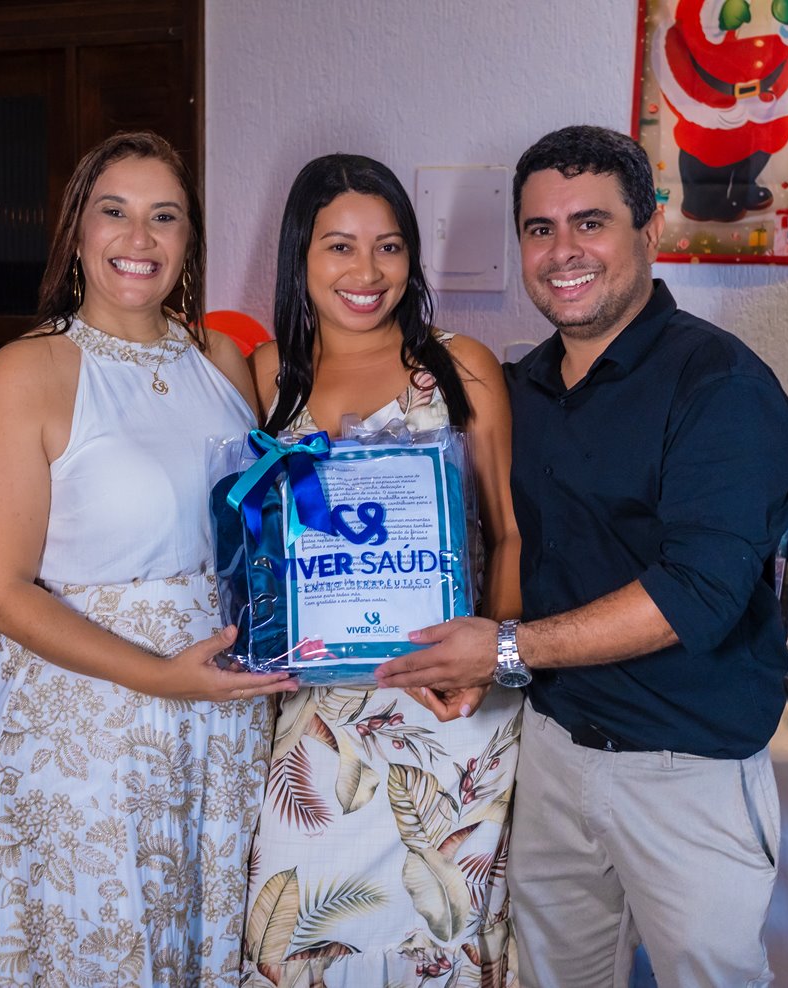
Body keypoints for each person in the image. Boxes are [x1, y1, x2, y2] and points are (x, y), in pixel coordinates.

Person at [376, 125, 788, 988]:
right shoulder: (521, 387)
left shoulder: (719, 385)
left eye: (590, 223)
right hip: (553, 749)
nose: (563, 251)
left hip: (686, 769)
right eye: (540, 229)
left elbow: (697, 593)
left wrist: (503, 650)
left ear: (650, 232)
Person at [0, 130, 296, 987]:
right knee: (100, 949)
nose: (139, 238)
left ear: (190, 238)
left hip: (217, 715)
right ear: (77, 229)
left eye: (164, 217)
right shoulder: (27, 372)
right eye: (115, 212)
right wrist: (158, 677)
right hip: (86, 717)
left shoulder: (220, 359)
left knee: (196, 938)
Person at [242, 154, 522, 986]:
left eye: (389, 246)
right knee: (295, 932)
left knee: (444, 931)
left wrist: (483, 664)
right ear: (299, 256)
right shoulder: (267, 375)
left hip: (448, 707)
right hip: (314, 718)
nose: (367, 273)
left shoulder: (461, 367)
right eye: (339, 246)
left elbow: (509, 534)